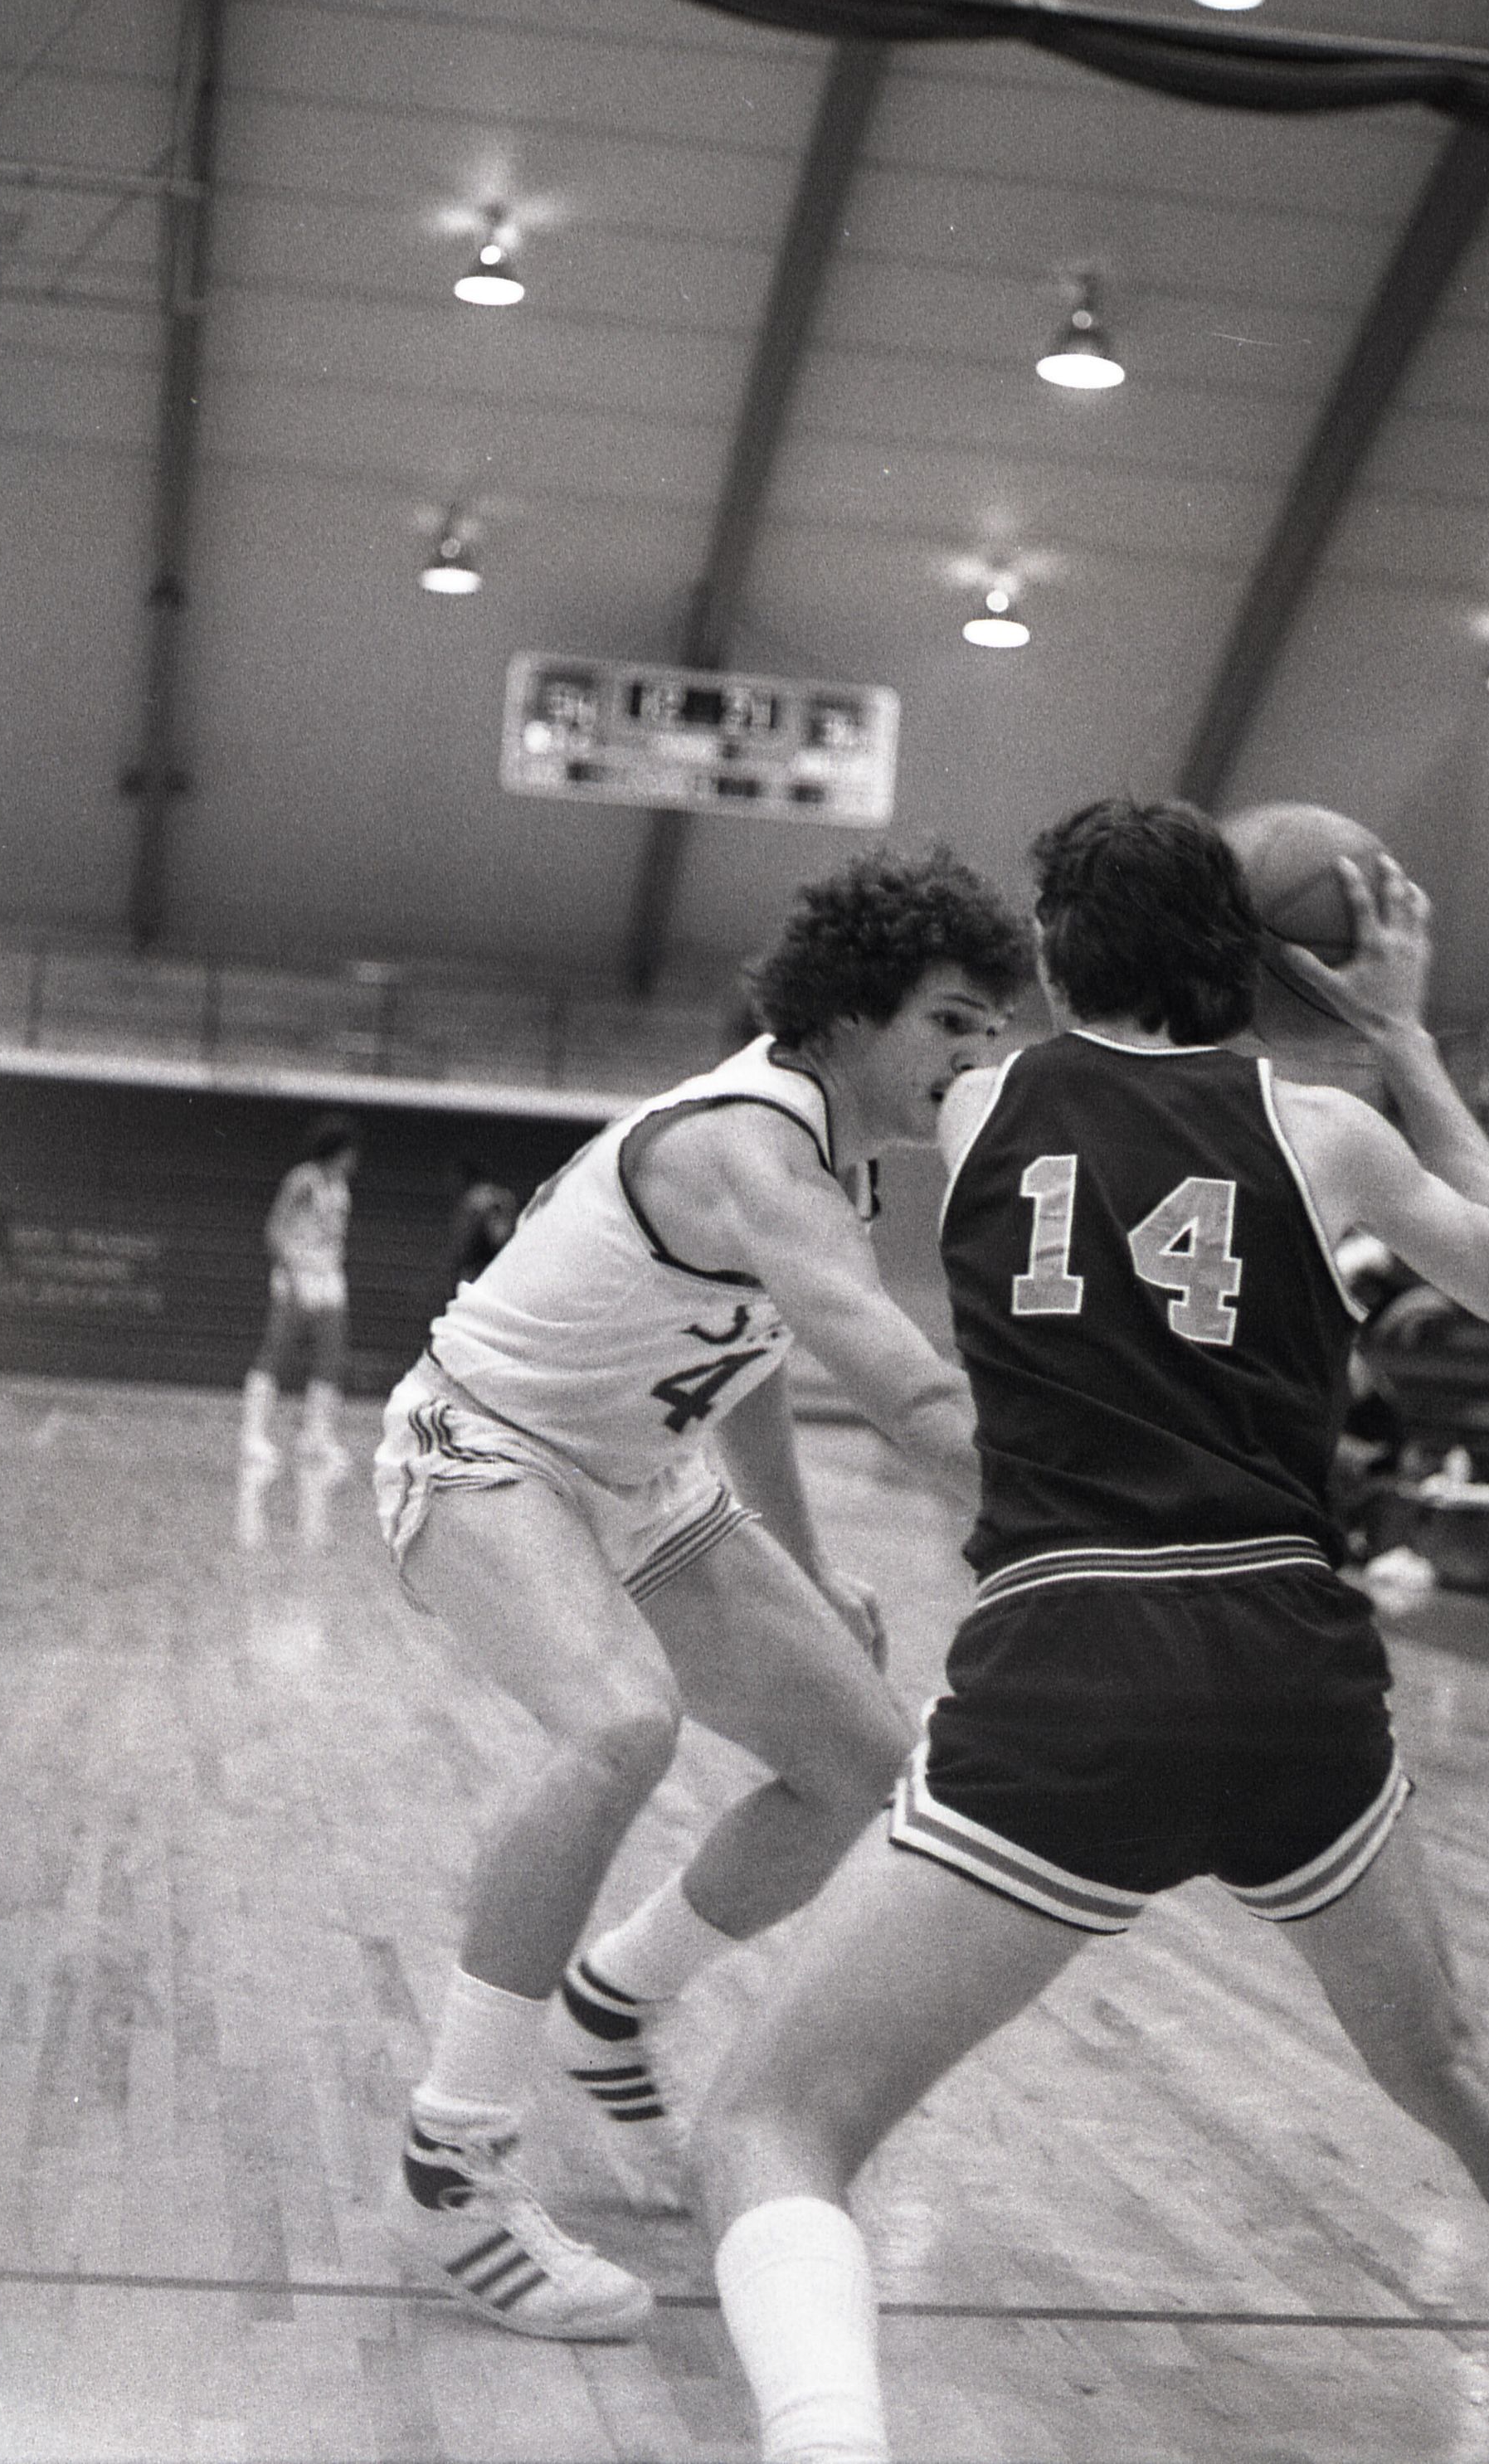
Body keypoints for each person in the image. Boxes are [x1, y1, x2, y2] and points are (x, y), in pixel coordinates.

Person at [693, 799, 1489, 2464]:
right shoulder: (1323, 1128)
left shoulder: (981, 1098)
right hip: (1294, 1672)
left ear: (1057, 949)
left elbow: (827, 1083)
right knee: (1454, 2059)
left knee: (772, 2121)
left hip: (1075, 1665)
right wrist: (1403, 1035)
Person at [371, 848, 1034, 2342]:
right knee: (621, 1728)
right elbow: (914, 1395)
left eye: (991, 1030)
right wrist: (1109, 1514)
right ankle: (452, 2160)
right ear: (852, 1012)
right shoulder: (752, 1147)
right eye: (949, 1022)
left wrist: (804, 1558)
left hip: (642, 1473)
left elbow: (754, 1360)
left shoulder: (830, 1155)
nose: (974, 1058)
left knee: (865, 1767)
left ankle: (615, 2004)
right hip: (485, 1440)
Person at [236, 1115, 361, 1551]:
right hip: (298, 1273)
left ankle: (316, 1438)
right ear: (336, 1150)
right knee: (276, 1351)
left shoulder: (341, 1188)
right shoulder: (303, 1180)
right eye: (350, 1152)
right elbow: (275, 1229)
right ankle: (253, 1436)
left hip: (329, 1275)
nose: (355, 1160)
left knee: (332, 1358)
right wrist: (291, 1273)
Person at [446, 1160, 520, 1289]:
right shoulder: (503, 1195)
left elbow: (466, 1238)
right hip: (502, 1258)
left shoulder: (474, 1199)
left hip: (481, 1259)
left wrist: (459, 1263)